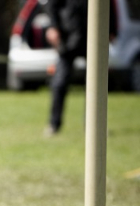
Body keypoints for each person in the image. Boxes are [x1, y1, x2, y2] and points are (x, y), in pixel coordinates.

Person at [44, 0, 115, 136]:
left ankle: (95, 125)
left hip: (93, 38)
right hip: (68, 38)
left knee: (96, 86)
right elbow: (52, 5)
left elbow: (108, 6)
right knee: (59, 84)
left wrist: (111, 30)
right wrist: (53, 27)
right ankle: (54, 124)